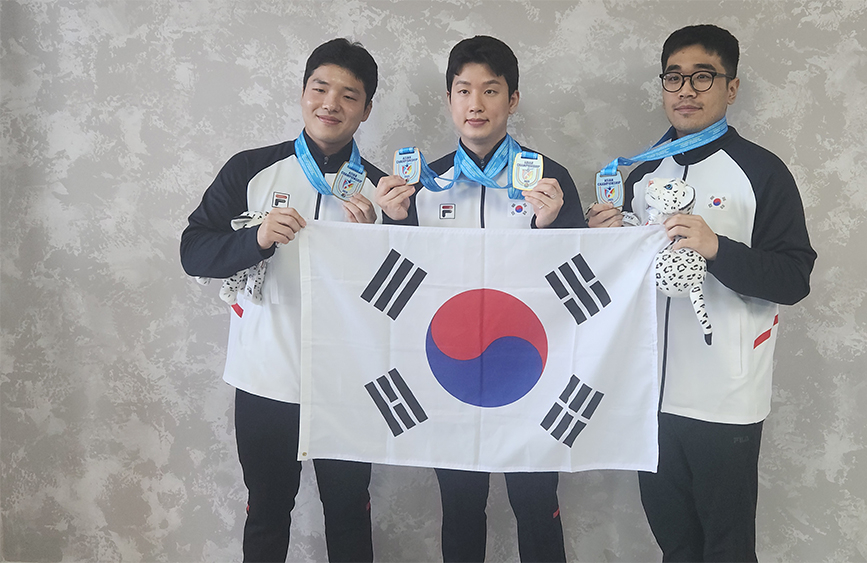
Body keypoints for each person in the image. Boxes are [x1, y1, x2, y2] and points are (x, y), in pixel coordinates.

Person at [587, 24, 816, 562]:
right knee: (676, 545)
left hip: (725, 395)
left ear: (731, 88)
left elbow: (794, 277)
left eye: (702, 77)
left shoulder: (762, 171)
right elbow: (616, 287)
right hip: (649, 396)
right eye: (674, 77)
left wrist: (717, 248)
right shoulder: (639, 174)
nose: (685, 90)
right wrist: (604, 244)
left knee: (727, 548)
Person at [376, 35, 585, 562]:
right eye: (464, 90)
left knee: (536, 503)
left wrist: (552, 227)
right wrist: (392, 223)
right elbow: (397, 287)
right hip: (451, 369)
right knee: (461, 506)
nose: (476, 103)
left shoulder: (550, 179)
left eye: (490, 91)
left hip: (530, 370)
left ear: (512, 100)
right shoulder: (423, 184)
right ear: (449, 99)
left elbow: (580, 283)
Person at [179, 39, 385, 562]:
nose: (330, 103)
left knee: (349, 514)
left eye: (349, 95)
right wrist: (256, 239)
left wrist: (376, 243)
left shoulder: (383, 192)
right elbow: (193, 251)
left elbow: (411, 295)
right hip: (265, 379)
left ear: (366, 109)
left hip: (348, 385)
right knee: (268, 513)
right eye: (320, 88)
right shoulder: (250, 170)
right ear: (302, 93)